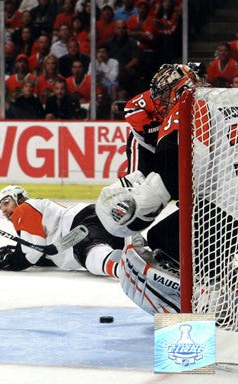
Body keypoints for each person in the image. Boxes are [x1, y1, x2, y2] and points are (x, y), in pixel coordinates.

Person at [95, 63, 202, 314]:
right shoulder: (213, 103)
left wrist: (139, 205)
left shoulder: (179, 115)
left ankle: (197, 301)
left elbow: (169, 173)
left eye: (164, 95)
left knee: (163, 238)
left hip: (219, 201)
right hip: (221, 192)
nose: (159, 102)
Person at [0, 185, 124, 276]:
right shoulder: (35, 214)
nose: (4, 209)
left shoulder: (24, 208)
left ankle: (121, 270)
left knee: (89, 252)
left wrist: (8, 262)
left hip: (80, 224)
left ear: (19, 198)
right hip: (95, 219)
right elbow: (42, 253)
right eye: (1, 207)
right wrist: (16, 253)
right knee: (125, 245)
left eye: (6, 202)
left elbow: (34, 254)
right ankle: (139, 253)